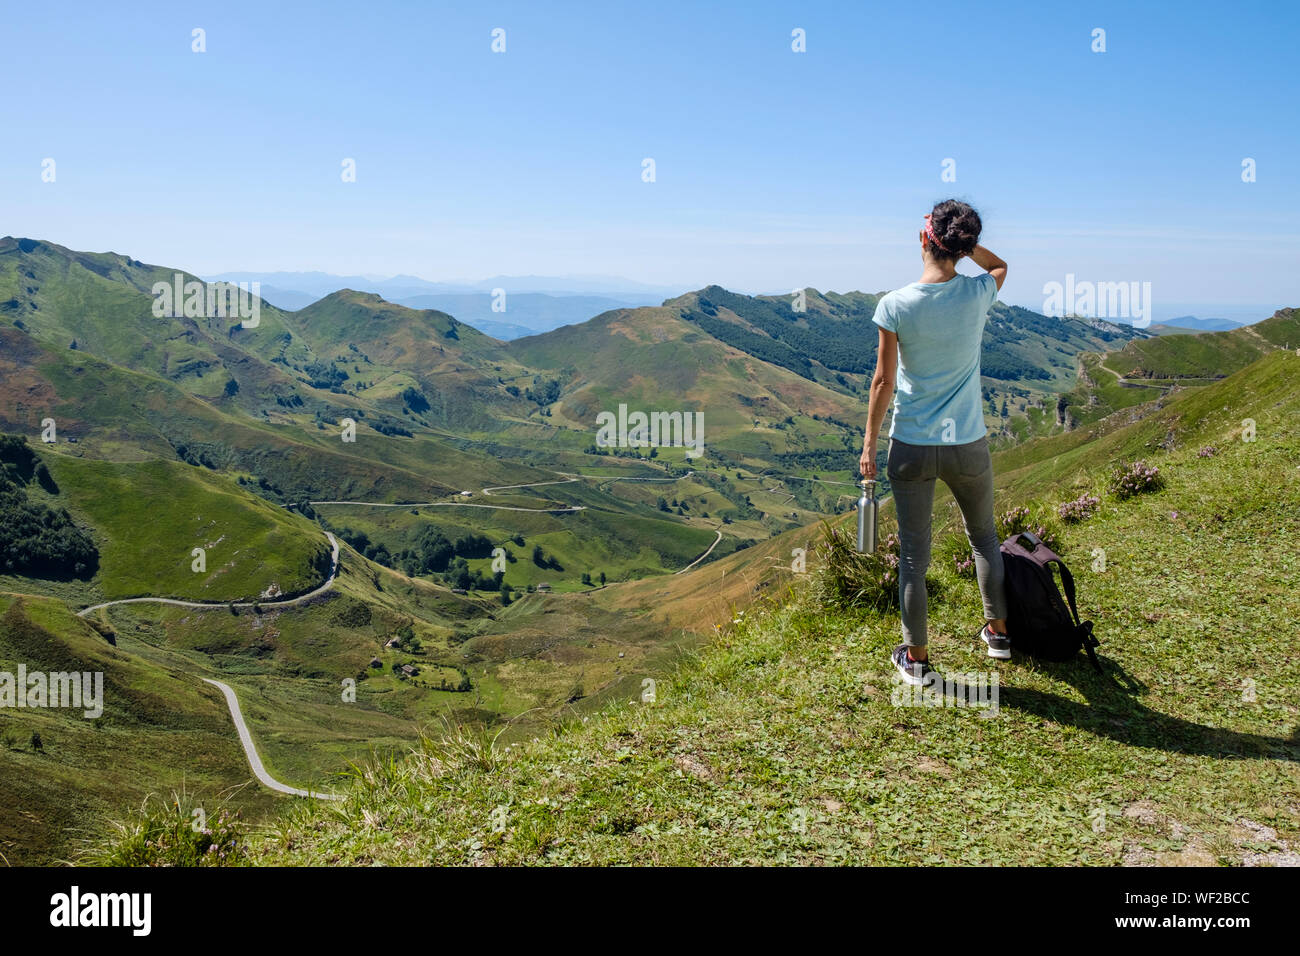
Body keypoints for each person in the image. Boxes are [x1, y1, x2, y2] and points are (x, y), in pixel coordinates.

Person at [859, 199, 1009, 685]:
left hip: (913, 443)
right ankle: (999, 633)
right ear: (960, 248)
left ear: (924, 240)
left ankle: (917, 659)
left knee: (912, 558)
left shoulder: (895, 305)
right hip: (968, 441)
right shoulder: (977, 292)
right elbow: (1000, 265)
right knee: (984, 537)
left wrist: (868, 446)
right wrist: (967, 249)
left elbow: (883, 382)